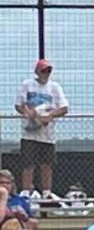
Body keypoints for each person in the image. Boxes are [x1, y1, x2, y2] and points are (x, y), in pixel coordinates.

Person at [15, 58, 69, 198]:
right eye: (43, 70)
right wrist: (29, 113)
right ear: (37, 71)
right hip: (29, 132)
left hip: (47, 134)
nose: (46, 73)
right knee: (28, 163)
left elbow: (64, 108)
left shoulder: (55, 87)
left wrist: (50, 116)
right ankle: (26, 191)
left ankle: (46, 192)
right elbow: (19, 105)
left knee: (46, 164)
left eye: (48, 70)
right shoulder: (27, 85)